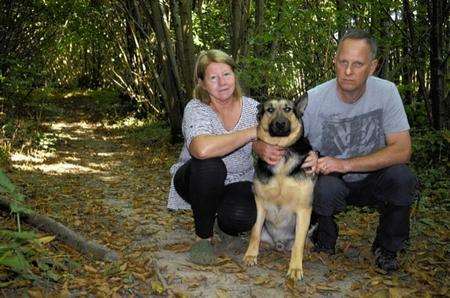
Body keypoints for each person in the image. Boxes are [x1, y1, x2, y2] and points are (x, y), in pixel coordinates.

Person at [301, 29, 417, 273]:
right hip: (332, 180)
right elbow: (290, 141)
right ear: (334, 61)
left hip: (373, 177)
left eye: (357, 64)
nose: (348, 71)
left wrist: (345, 164)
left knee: (403, 177)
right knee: (323, 186)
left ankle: (387, 248)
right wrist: (307, 156)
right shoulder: (315, 98)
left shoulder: (386, 92)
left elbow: (403, 149)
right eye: (343, 62)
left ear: (372, 66)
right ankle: (324, 236)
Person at [167, 49, 259, 265]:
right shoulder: (196, 108)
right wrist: (251, 132)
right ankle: (203, 236)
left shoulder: (253, 107)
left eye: (226, 74)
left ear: (235, 75)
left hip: (239, 179)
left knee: (241, 217)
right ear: (201, 83)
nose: (222, 82)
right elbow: (201, 149)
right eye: (213, 77)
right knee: (210, 165)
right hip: (196, 179)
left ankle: (220, 219)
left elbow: (264, 144)